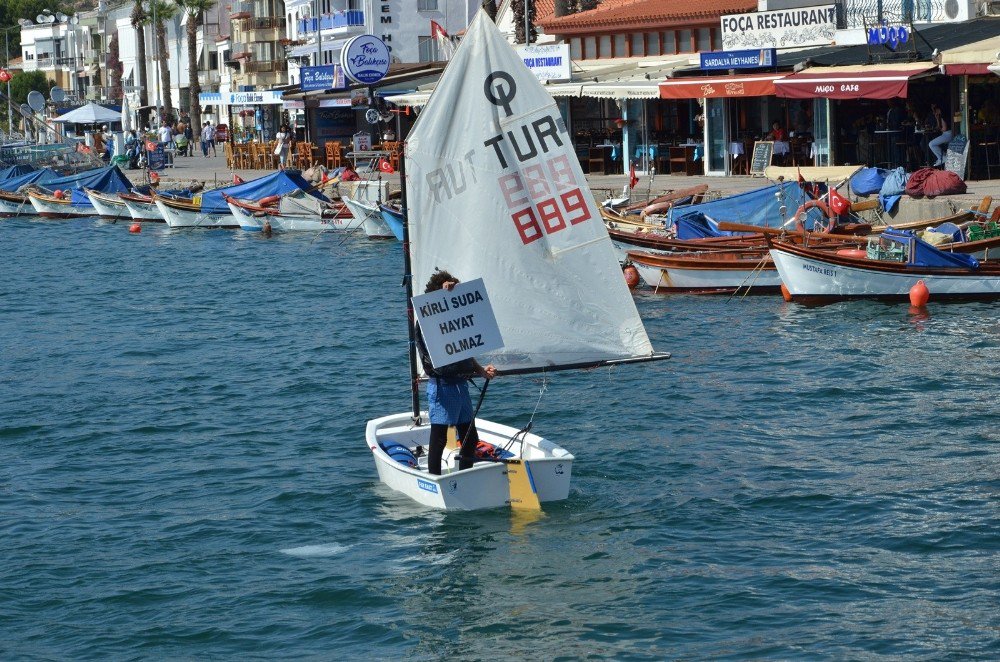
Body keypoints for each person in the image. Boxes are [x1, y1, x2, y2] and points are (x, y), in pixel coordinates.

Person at [416, 271, 498, 476]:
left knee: (470, 437)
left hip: (460, 385)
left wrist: (480, 370)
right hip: (442, 386)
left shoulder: (457, 320)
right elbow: (441, 354)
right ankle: (435, 480)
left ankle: (465, 478)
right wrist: (442, 294)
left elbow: (464, 350)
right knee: (440, 437)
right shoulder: (427, 322)